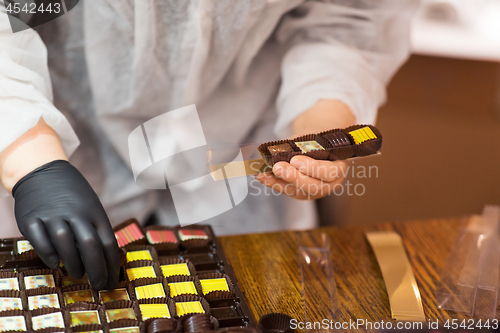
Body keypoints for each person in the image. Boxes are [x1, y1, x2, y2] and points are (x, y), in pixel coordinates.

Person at [0, 0, 418, 290]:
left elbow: (344, 26)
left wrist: (323, 127)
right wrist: (33, 162)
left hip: (234, 167)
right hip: (61, 142)